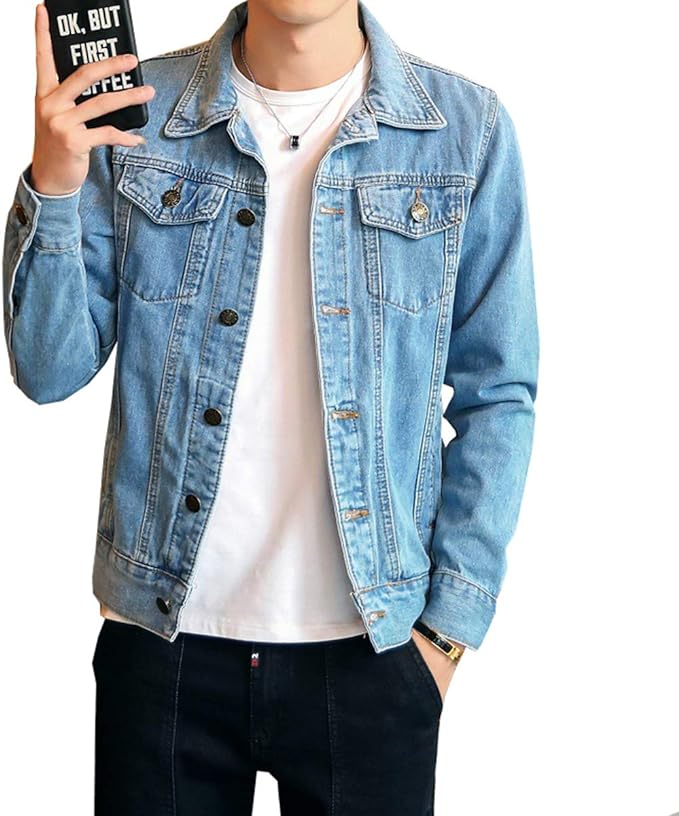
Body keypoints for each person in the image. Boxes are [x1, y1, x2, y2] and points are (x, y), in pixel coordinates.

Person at [2, 1, 539, 813]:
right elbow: (48, 371)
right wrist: (55, 182)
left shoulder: (465, 132)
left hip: (373, 652)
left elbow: (498, 391)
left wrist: (445, 635)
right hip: (162, 644)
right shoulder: (138, 113)